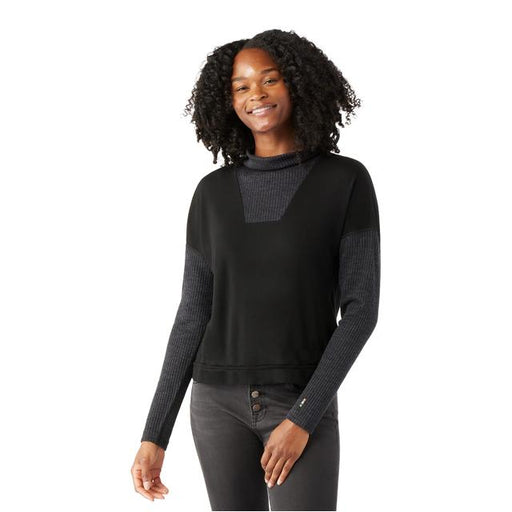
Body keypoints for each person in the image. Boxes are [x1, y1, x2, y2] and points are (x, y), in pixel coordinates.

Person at [131, 28, 380, 511]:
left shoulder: (345, 181)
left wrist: (303, 417)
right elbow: (192, 315)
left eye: (269, 79)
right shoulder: (211, 193)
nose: (256, 95)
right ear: (227, 101)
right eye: (241, 86)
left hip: (300, 398)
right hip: (215, 405)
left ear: (298, 84)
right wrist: (154, 434)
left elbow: (361, 311)